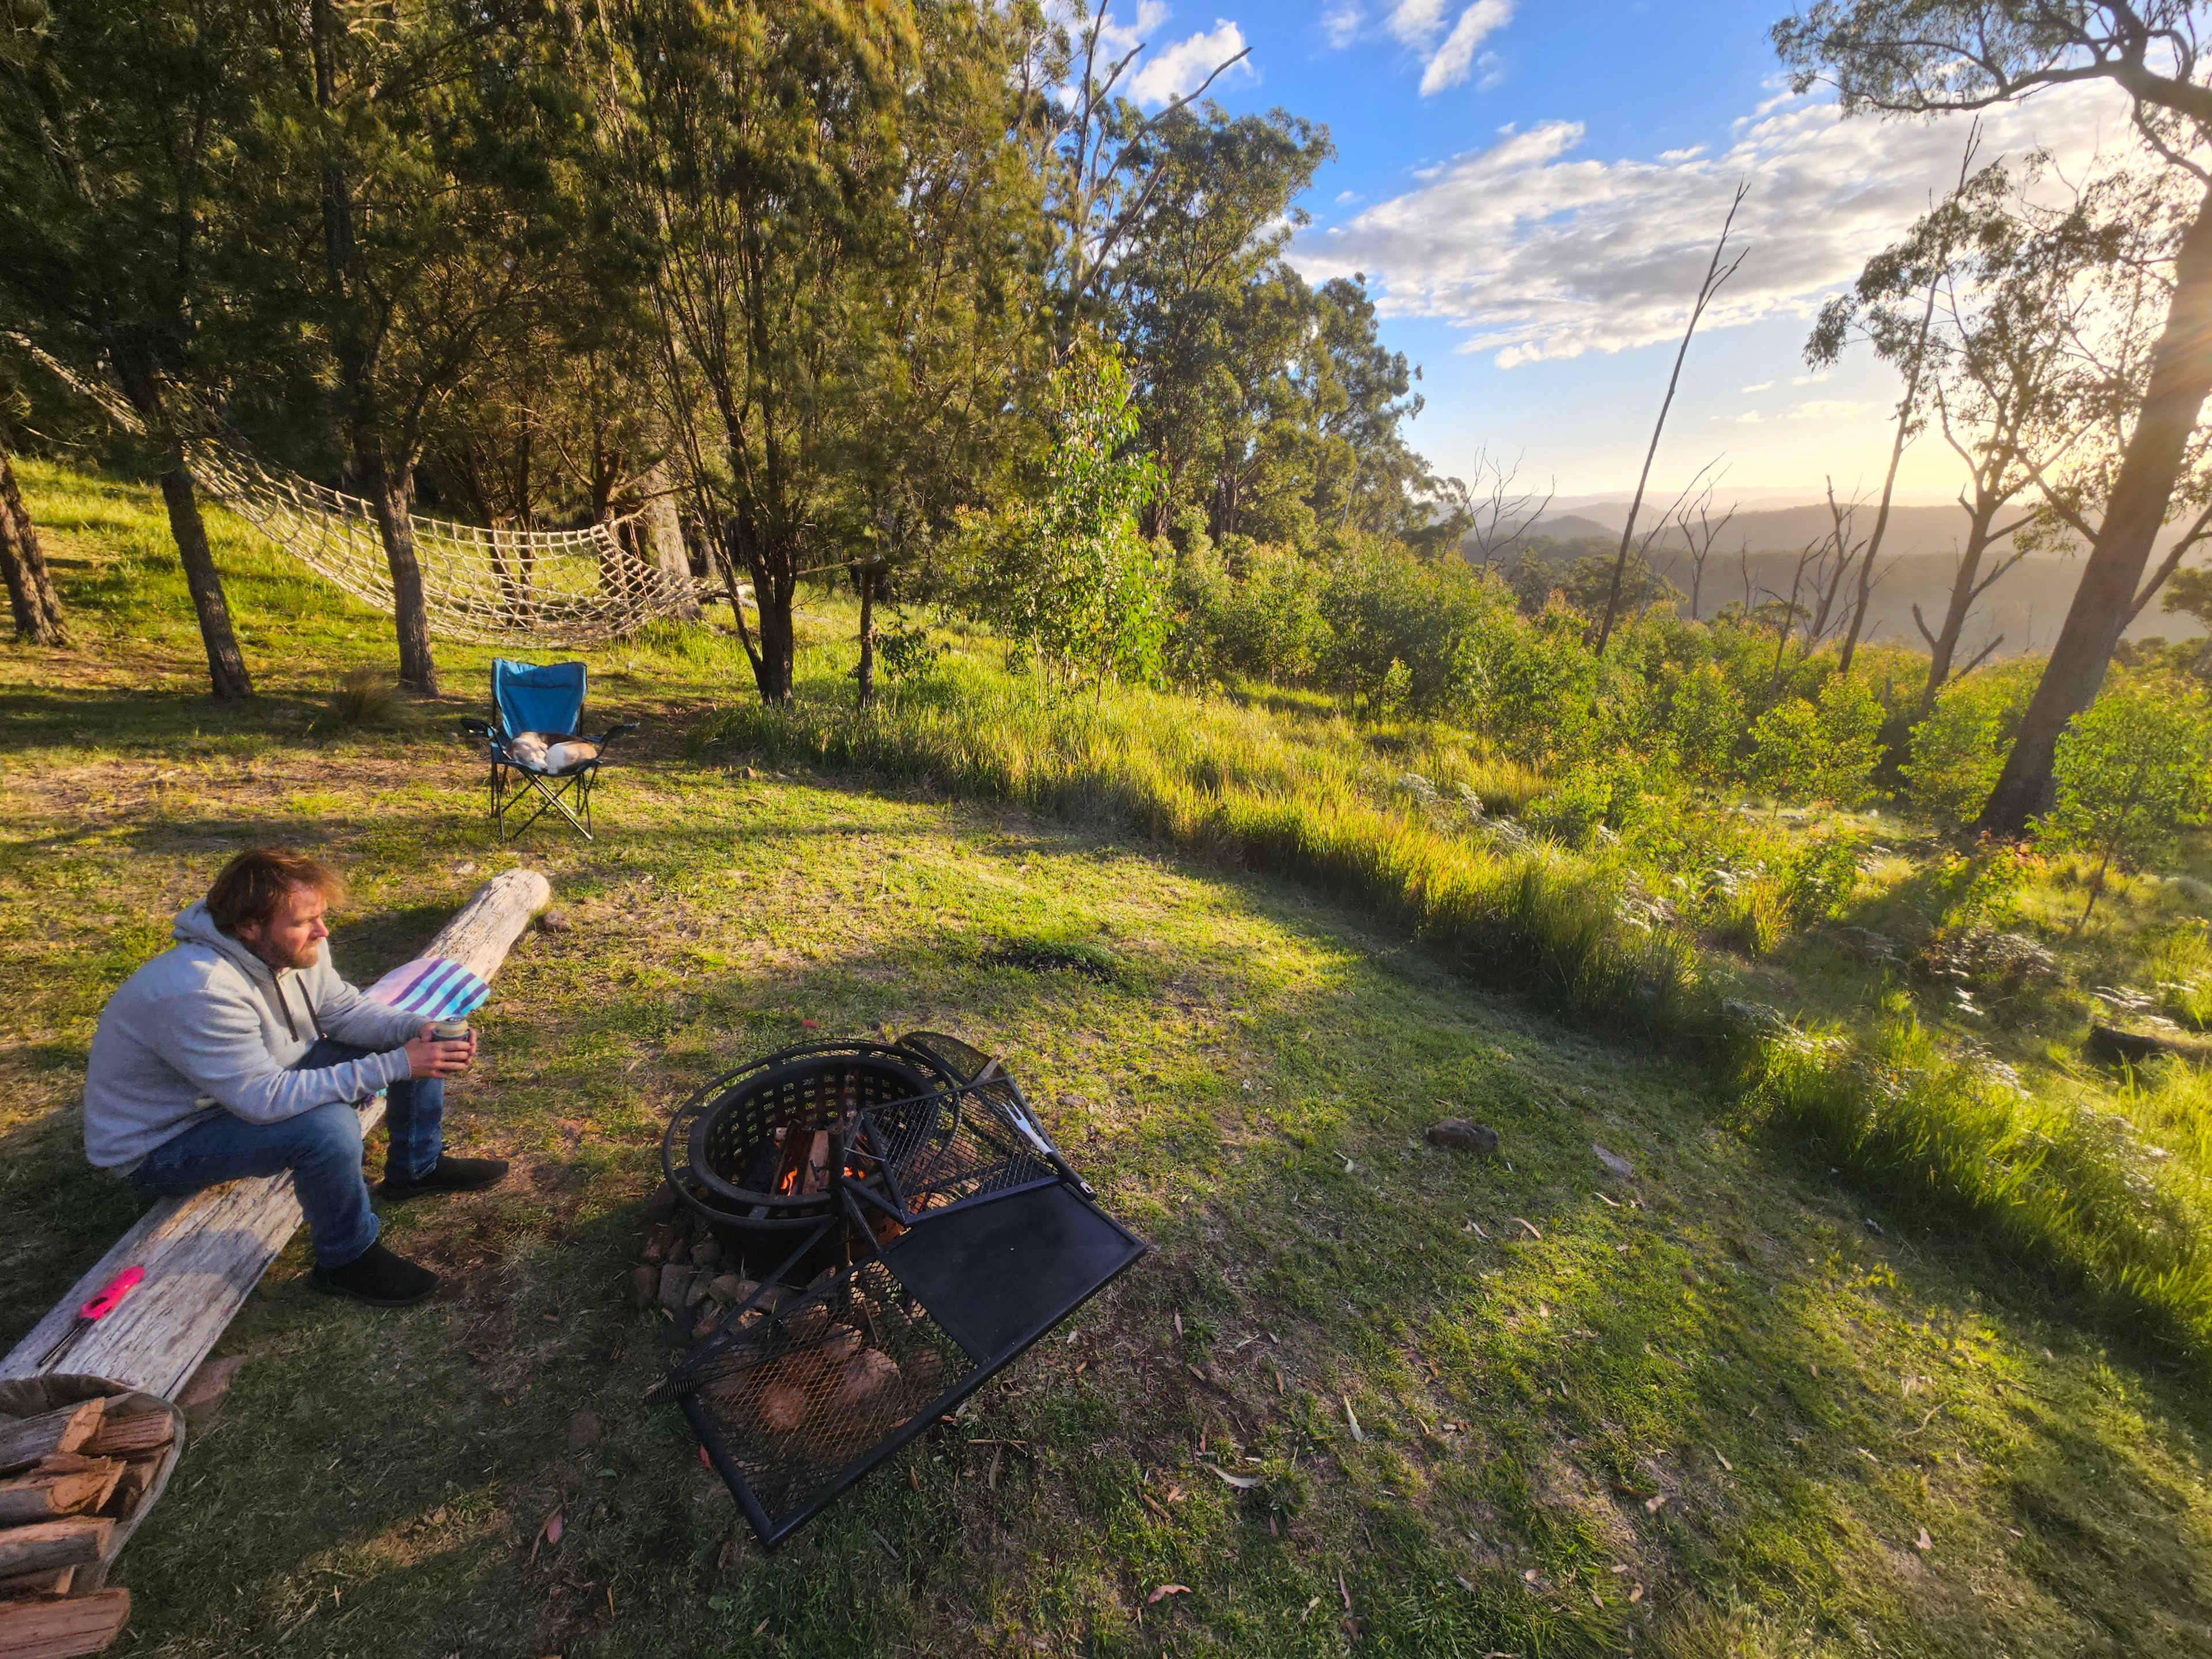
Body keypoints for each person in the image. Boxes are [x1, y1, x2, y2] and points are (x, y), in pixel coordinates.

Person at [83, 848, 509, 1306]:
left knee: (417, 1042)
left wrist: (414, 1031)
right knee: (326, 1129)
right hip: (167, 1144)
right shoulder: (200, 991)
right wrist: (400, 1064)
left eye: (321, 916)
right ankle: (347, 1261)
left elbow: (343, 1012)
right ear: (250, 926)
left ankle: (416, 1169)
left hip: (244, 1087)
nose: (323, 932)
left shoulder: (294, 947)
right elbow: (262, 1100)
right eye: (306, 921)